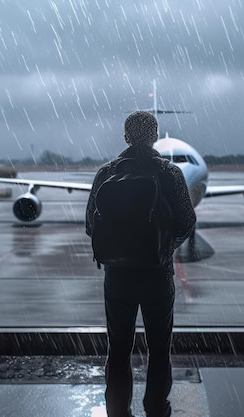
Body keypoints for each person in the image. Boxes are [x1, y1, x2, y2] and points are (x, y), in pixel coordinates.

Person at [86, 111, 196, 417]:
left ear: (126, 137)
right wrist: (163, 249)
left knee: (118, 351)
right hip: (157, 276)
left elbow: (90, 224)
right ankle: (156, 408)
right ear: (155, 137)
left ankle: (118, 409)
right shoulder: (169, 174)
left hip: (117, 277)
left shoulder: (106, 173)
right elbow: (187, 222)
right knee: (159, 351)